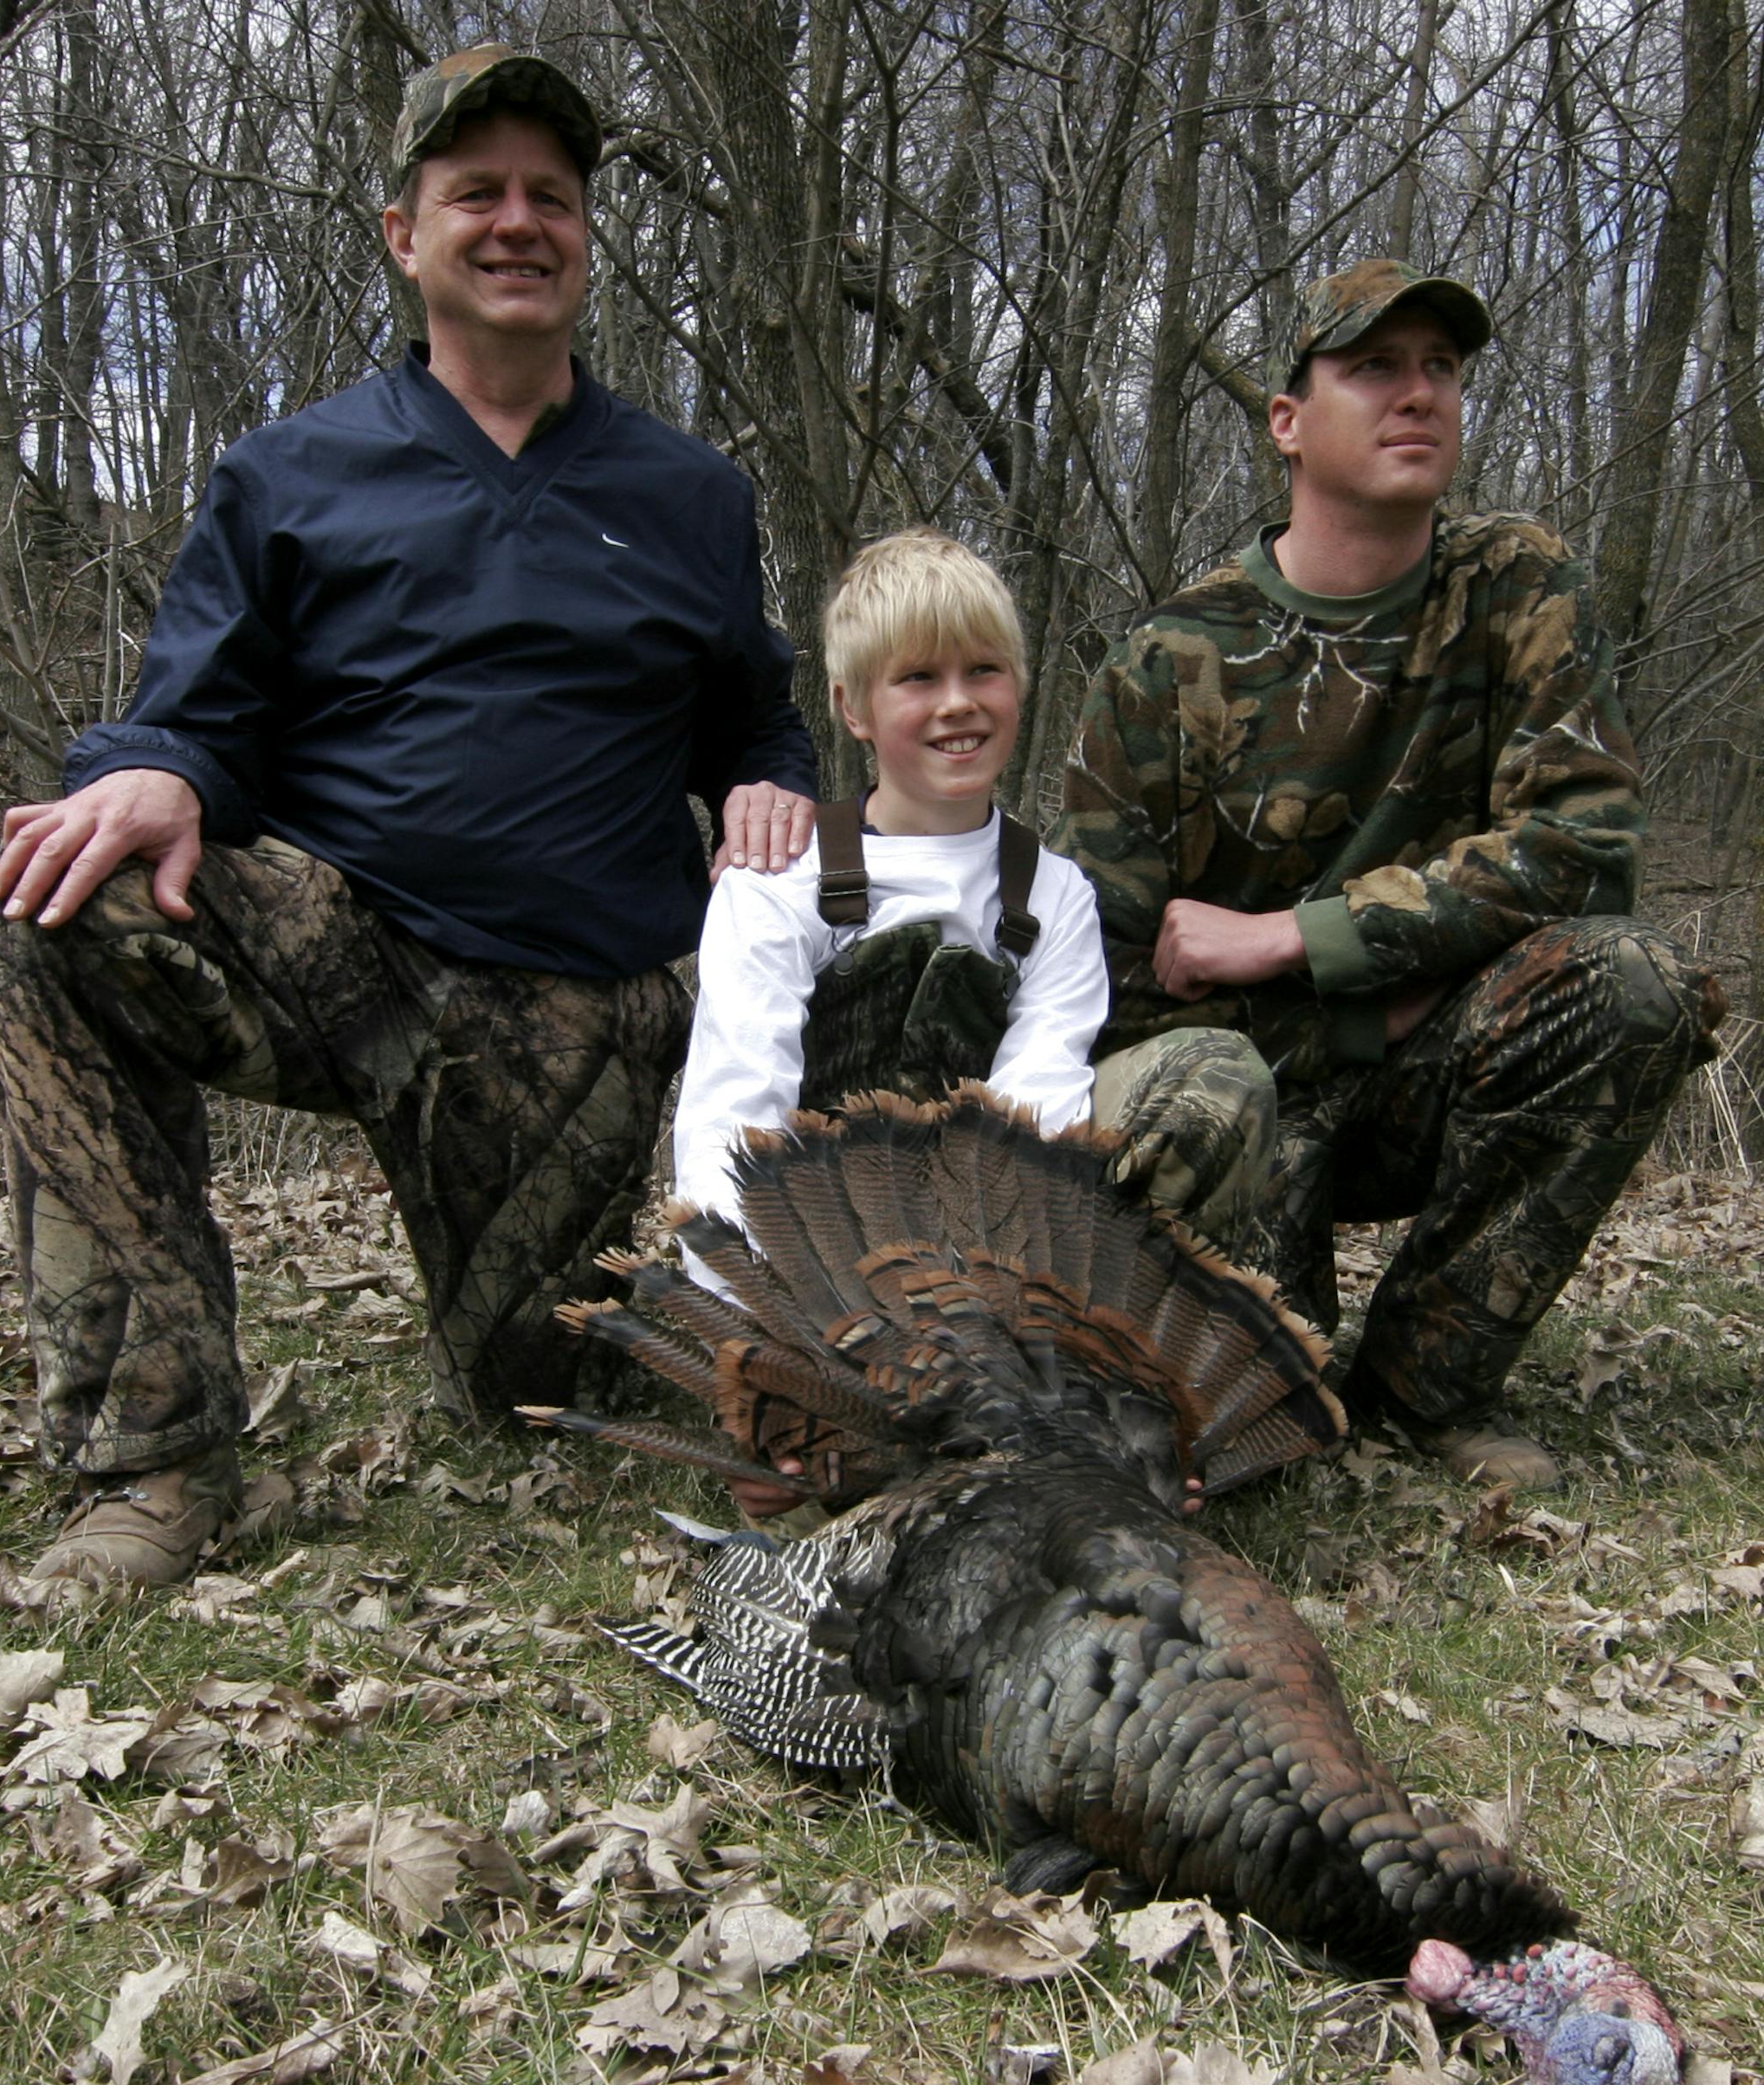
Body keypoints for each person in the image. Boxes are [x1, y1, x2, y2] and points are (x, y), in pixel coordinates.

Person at [0, 46, 817, 1590]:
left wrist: (784, 782)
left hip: (574, 1015)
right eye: (473, 193)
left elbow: (757, 718)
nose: (516, 223)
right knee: (59, 894)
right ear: (401, 235)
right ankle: (154, 1459)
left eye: (549, 198)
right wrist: (150, 763)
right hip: (341, 951)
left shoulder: (692, 494)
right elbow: (197, 711)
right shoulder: (288, 477)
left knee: (529, 1398)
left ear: (582, 238)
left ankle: (590, 1321)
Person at [1052, 259, 1725, 1492]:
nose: (1419, 396)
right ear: (1289, 423)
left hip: (1424, 1067)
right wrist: (1373, 1001)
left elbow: (1584, 853)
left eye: (1442, 371)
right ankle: (1290, 1347)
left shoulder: (1516, 586)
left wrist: (1294, 941)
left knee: (1632, 984)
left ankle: (1431, 1384)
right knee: (1271, 1435)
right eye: (1374, 369)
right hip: (1247, 1102)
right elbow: (1111, 991)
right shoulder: (1168, 661)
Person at [672, 528, 1115, 1514]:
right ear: (853, 707)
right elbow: (731, 1118)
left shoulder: (1056, 893)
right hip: (807, 1272)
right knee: (811, 1480)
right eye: (917, 677)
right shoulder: (776, 882)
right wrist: (768, 1338)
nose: (957, 703)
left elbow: (1040, 1117)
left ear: (1021, 684)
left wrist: (983, 1325)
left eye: (984, 670)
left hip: (984, 1266)